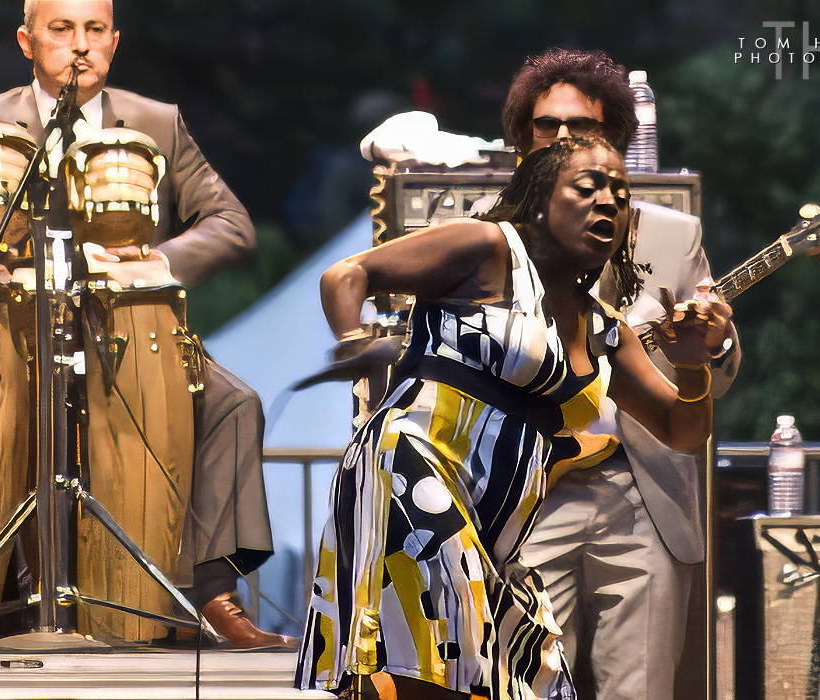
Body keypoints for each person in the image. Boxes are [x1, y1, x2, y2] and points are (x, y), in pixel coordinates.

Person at [296, 135, 727, 700]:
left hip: (497, 528)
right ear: (542, 199)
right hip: (412, 473)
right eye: (588, 186)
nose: (609, 203)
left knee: (529, 678)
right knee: (447, 664)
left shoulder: (603, 326)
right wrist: (356, 347)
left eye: (621, 197)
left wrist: (695, 368)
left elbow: (681, 431)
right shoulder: (488, 248)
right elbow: (345, 276)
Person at [0, 0, 286, 649]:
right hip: (20, 339)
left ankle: (212, 595)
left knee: (233, 402)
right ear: (26, 41)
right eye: (61, 29)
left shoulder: (157, 122)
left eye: (95, 30)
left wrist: (157, 259)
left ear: (115, 40)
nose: (80, 46)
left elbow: (232, 224)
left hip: (137, 336)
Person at [502, 49, 740, 700]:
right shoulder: (491, 241)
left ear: (615, 142)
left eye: (581, 128)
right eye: (546, 127)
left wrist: (709, 349)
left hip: (644, 494)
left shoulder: (671, 234)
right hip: (530, 495)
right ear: (523, 142)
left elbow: (719, 369)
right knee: (521, 685)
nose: (562, 139)